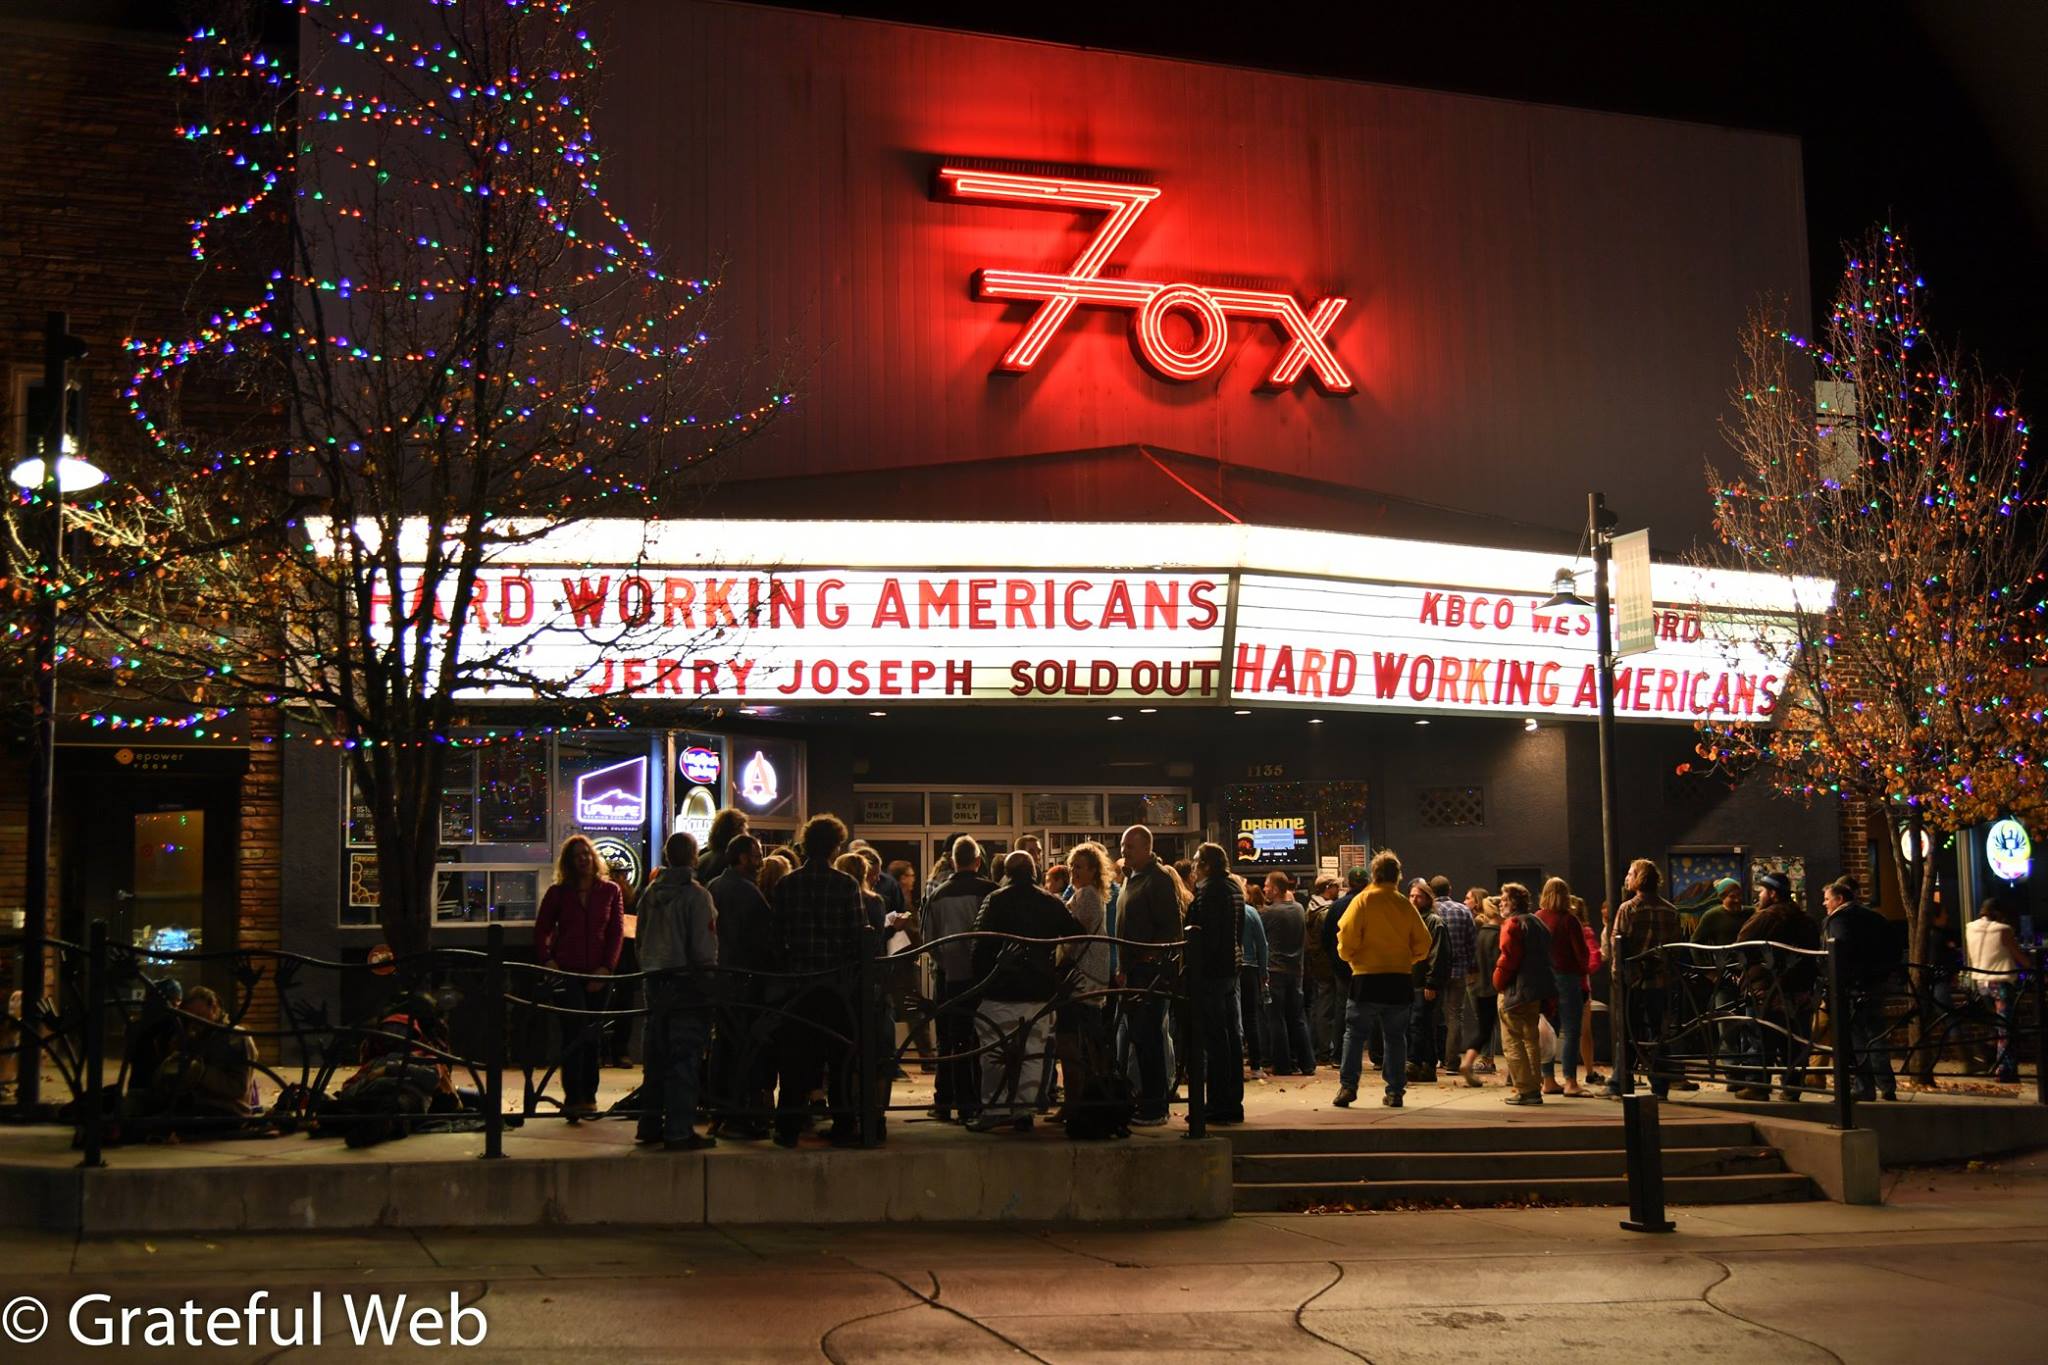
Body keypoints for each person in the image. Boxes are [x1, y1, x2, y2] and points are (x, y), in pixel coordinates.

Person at [768, 814, 873, 1147]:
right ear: (835, 846)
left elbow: (776, 936)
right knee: (840, 1057)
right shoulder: (846, 885)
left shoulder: (787, 884)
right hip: (836, 986)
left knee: (795, 1057)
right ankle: (844, 1124)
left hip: (798, 985)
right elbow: (859, 937)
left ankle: (787, 1128)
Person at [966, 851, 1085, 1130]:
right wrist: (1058, 967)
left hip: (1001, 990)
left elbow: (979, 946)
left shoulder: (995, 900)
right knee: (1032, 1054)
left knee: (994, 1054)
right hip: (1038, 990)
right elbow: (1077, 933)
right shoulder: (1049, 901)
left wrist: (980, 983)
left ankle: (994, 1109)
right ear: (1034, 871)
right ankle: (1024, 1109)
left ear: (1007, 873)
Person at [635, 831, 719, 1151]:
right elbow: (703, 946)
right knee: (684, 1058)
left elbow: (640, 939)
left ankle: (650, 1124)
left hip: (654, 979)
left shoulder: (650, 893)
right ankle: (679, 1129)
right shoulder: (697, 897)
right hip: (687, 982)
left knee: (655, 1056)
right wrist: (709, 982)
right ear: (694, 857)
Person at [534, 834, 626, 1116]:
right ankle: (573, 1096)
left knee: (593, 1035)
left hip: (600, 971)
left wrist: (607, 968)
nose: (584, 859)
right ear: (569, 862)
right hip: (569, 971)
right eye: (577, 856)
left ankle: (590, 1094)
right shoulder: (558, 893)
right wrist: (548, 960)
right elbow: (542, 929)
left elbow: (616, 932)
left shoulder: (610, 891)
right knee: (573, 1033)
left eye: (587, 853)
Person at [1333, 850, 1432, 1108]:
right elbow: (1424, 942)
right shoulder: (1404, 904)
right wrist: (1407, 959)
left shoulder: (1363, 901)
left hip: (1366, 978)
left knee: (1354, 1035)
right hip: (1399, 979)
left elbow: (1346, 937)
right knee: (1396, 1037)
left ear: (1374, 874)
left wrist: (1351, 957)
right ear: (1397, 876)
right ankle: (1395, 1091)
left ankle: (1348, 1087)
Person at [921, 835, 998, 1123]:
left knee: (952, 1040)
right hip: (983, 977)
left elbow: (930, 941)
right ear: (978, 860)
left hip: (950, 977)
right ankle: (977, 1100)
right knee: (982, 1039)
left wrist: (946, 963)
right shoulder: (990, 891)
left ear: (953, 860)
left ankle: (948, 1100)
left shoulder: (938, 895)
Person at [708, 834, 777, 1137]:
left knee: (723, 1047)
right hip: (745, 983)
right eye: (755, 855)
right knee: (744, 1050)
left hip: (720, 980)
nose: (760, 861)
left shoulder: (713, 888)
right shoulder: (749, 894)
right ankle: (739, 1114)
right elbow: (766, 941)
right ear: (742, 858)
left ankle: (721, 1110)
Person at [1732, 871, 1821, 1101]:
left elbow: (1741, 945)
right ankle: (1792, 1087)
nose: (1758, 896)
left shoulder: (1765, 917)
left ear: (1772, 894)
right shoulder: (1806, 921)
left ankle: (1757, 1086)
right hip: (1800, 990)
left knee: (1760, 1037)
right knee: (1795, 1041)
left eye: (1761, 891)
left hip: (1767, 989)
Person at [1116, 824, 1183, 1126]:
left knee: (1149, 1038)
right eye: (1122, 846)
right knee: (1138, 1039)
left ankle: (1156, 1106)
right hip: (1134, 972)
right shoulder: (1134, 878)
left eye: (1129, 847)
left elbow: (1170, 928)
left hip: (1150, 974)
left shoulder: (1157, 881)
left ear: (1146, 848)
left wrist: (1148, 957)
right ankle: (1146, 1099)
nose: (1123, 852)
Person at [1603, 857, 1681, 1099]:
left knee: (1628, 1032)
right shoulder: (1671, 910)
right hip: (1662, 982)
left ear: (1638, 879)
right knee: (1660, 1033)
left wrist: (1618, 979)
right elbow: (1676, 947)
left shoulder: (1628, 909)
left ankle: (1619, 1083)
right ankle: (1660, 1087)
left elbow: (1618, 947)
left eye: (1629, 873)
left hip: (1635, 983)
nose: (1626, 878)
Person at [1823, 875, 1899, 1101]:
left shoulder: (1838, 920)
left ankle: (1864, 1086)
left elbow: (1839, 952)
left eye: (1827, 899)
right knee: (1875, 1034)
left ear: (1838, 899)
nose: (1824, 904)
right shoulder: (1875, 917)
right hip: (1875, 984)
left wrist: (1836, 980)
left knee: (1856, 1037)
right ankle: (1887, 1085)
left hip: (1851, 986)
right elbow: (1894, 949)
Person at [1187, 842, 1247, 1124]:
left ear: (1207, 865)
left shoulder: (1210, 892)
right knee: (1231, 1037)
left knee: (1214, 1040)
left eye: (1197, 861)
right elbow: (1237, 932)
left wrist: (1196, 968)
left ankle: (1216, 1104)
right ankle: (1232, 1101)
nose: (1193, 866)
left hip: (1212, 973)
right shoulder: (1234, 889)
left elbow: (1206, 937)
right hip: (1231, 970)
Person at [1493, 882, 1556, 1105]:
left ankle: (1525, 1089)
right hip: (1535, 991)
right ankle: (1534, 1086)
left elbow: (1508, 958)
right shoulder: (1537, 922)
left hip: (1515, 991)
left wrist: (1498, 981)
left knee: (1512, 1041)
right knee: (1531, 1038)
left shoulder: (1512, 924)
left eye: (1505, 899)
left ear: (1514, 902)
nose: (1501, 902)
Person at [1965, 896, 2036, 1083]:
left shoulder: (1970, 928)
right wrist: (2034, 967)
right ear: (1999, 914)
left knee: (1996, 1026)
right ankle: (2005, 1070)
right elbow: (2019, 956)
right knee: (2006, 1028)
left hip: (1981, 983)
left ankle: (1990, 1059)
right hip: (2000, 982)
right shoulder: (2003, 930)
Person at [1535, 878, 1592, 1096]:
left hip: (1545, 980)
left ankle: (1548, 1079)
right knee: (1571, 1031)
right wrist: (1583, 979)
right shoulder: (1570, 921)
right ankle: (1570, 1081)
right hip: (1567, 979)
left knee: (1547, 1031)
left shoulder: (1537, 918)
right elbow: (1581, 955)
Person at [1260, 872, 1316, 1075]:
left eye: (1266, 885)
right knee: (1298, 1017)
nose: (1264, 889)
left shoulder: (1268, 913)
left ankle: (1283, 1065)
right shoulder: (1300, 909)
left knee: (1276, 1019)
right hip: (1296, 971)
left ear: (1275, 889)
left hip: (1275, 971)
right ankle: (1307, 1063)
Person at [1430, 875, 1478, 1084]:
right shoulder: (1463, 910)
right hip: (1458, 972)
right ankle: (1451, 1062)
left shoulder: (1431, 912)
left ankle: (1430, 1058)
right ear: (1450, 889)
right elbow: (1471, 942)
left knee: (1431, 1015)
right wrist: (1470, 965)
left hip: (1434, 972)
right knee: (1454, 1016)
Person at [1406, 880, 1448, 1085]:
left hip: (1423, 982)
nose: (1414, 900)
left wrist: (1432, 982)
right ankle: (1426, 1065)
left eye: (1418, 896)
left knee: (1420, 1023)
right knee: (1421, 1025)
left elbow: (1438, 954)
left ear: (1428, 899)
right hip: (1412, 980)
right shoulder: (1409, 920)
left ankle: (1416, 1062)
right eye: (1412, 895)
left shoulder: (1434, 922)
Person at [1464, 892, 1502, 1084]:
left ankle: (1469, 1061)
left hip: (1479, 984)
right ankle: (1514, 1074)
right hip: (1497, 987)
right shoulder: (1498, 934)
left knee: (1484, 1028)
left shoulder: (1481, 932)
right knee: (1510, 1030)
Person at [1303, 880, 1342, 1064]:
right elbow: (1329, 941)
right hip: (1326, 964)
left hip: (1315, 963)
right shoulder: (1326, 913)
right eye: (1336, 887)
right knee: (1327, 1008)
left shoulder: (1311, 908)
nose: (1339, 890)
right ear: (1328, 888)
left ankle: (1316, 1046)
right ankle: (1324, 1050)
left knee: (1317, 1006)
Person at [1240, 881, 1271, 1078]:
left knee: (1231, 1018)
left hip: (1227, 969)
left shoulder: (1222, 911)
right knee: (1251, 1017)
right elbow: (1262, 943)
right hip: (1249, 969)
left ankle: (1234, 1064)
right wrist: (1263, 972)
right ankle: (1256, 1065)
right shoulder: (1250, 912)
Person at [699, 807, 750, 884]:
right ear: (735, 832)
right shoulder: (731, 863)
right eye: (745, 830)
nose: (747, 835)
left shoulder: (702, 857)